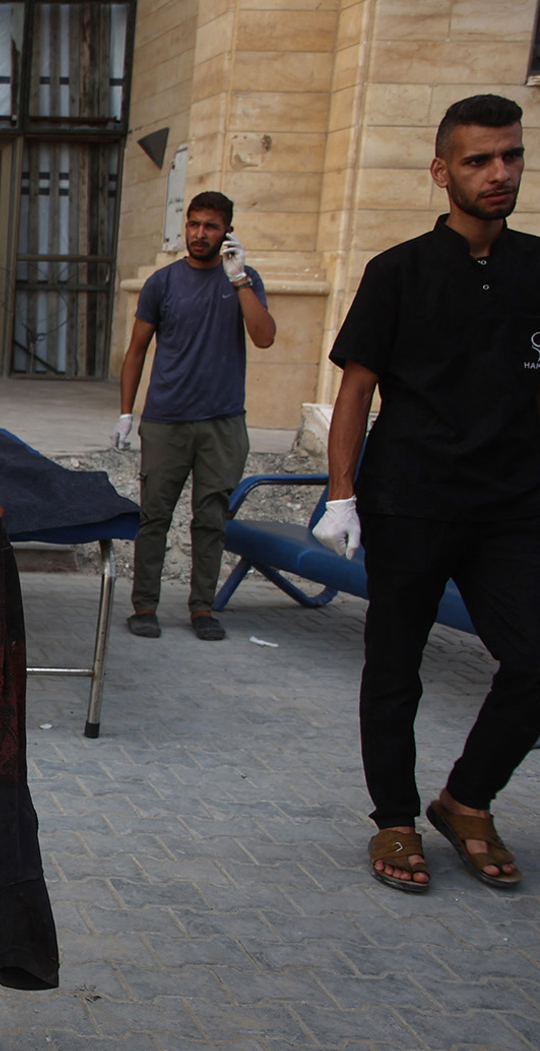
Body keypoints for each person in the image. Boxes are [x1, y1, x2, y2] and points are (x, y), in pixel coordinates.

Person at [313, 94, 539, 894]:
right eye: (479, 160)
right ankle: (396, 818)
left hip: (513, 507)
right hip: (411, 499)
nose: (498, 173)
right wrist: (342, 495)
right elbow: (356, 390)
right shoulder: (399, 272)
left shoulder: (536, 267)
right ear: (443, 171)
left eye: (511, 156)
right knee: (395, 666)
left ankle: (466, 800)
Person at [114, 190, 276, 642]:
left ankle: (202, 607)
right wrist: (126, 413)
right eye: (194, 224)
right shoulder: (162, 283)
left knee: (211, 518)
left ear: (227, 231)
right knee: (154, 515)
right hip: (167, 419)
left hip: (223, 421)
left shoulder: (243, 279)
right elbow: (136, 350)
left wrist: (239, 279)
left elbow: (264, 337)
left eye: (210, 226)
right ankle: (144, 605)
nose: (200, 233)